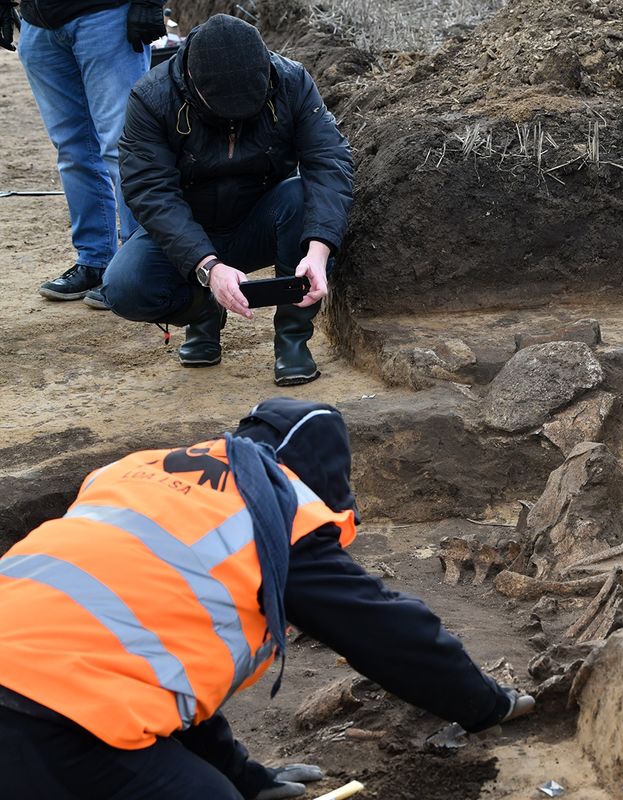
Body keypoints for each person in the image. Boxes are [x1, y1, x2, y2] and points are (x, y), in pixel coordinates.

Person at [0, 398, 535, 799]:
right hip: (49, 711)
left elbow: (150, 658)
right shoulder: (275, 509)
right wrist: (484, 704)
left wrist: (242, 776)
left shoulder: (135, 473)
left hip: (48, 687)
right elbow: (384, 631)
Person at [102, 14, 352, 386]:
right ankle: (204, 311)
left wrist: (318, 253)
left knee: (302, 195)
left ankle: (293, 338)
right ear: (193, 84)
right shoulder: (153, 98)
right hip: (191, 228)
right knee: (125, 286)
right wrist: (207, 267)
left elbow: (330, 161)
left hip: (261, 221)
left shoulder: (291, 81)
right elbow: (151, 192)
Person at [1, 0, 162, 306]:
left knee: (124, 146)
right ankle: (95, 261)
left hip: (105, 16)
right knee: (72, 152)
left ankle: (139, 268)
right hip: (38, 24)